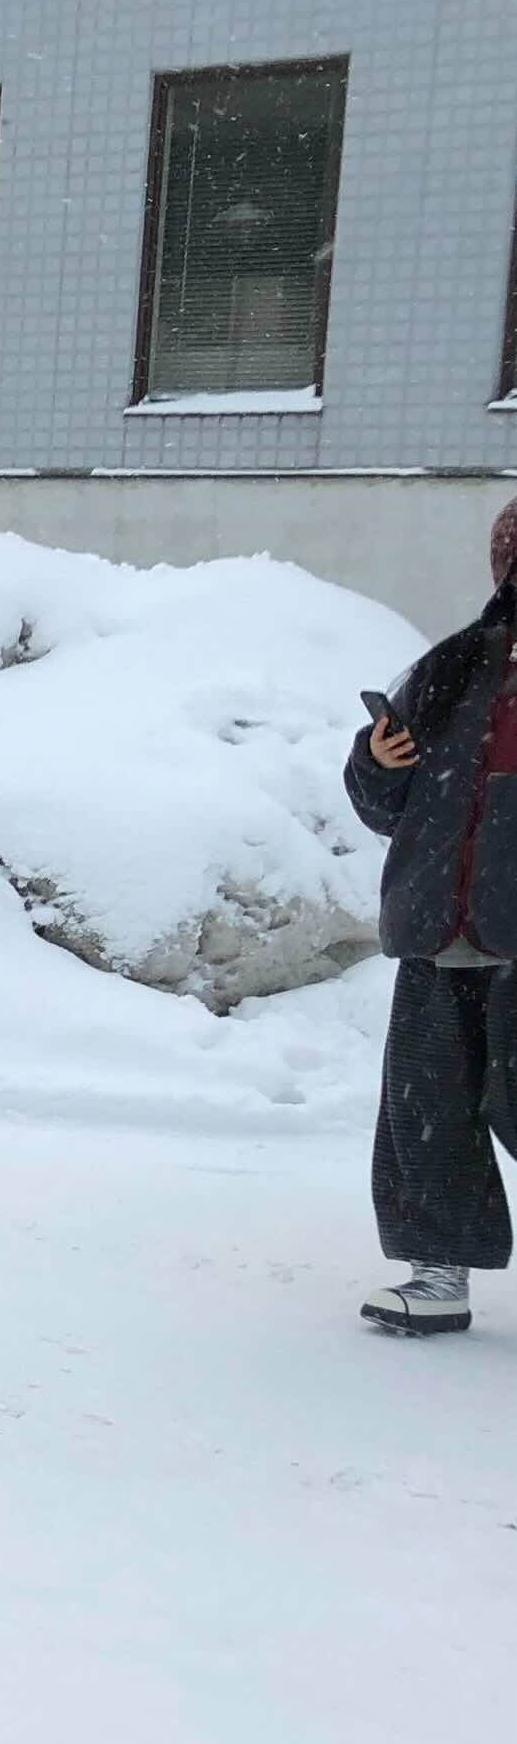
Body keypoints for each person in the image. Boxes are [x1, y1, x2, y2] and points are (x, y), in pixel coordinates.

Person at [345, 493, 517, 1337]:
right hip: (442, 928)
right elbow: (385, 805)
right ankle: (438, 1272)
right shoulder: (456, 665)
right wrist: (378, 762)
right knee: (429, 1106)